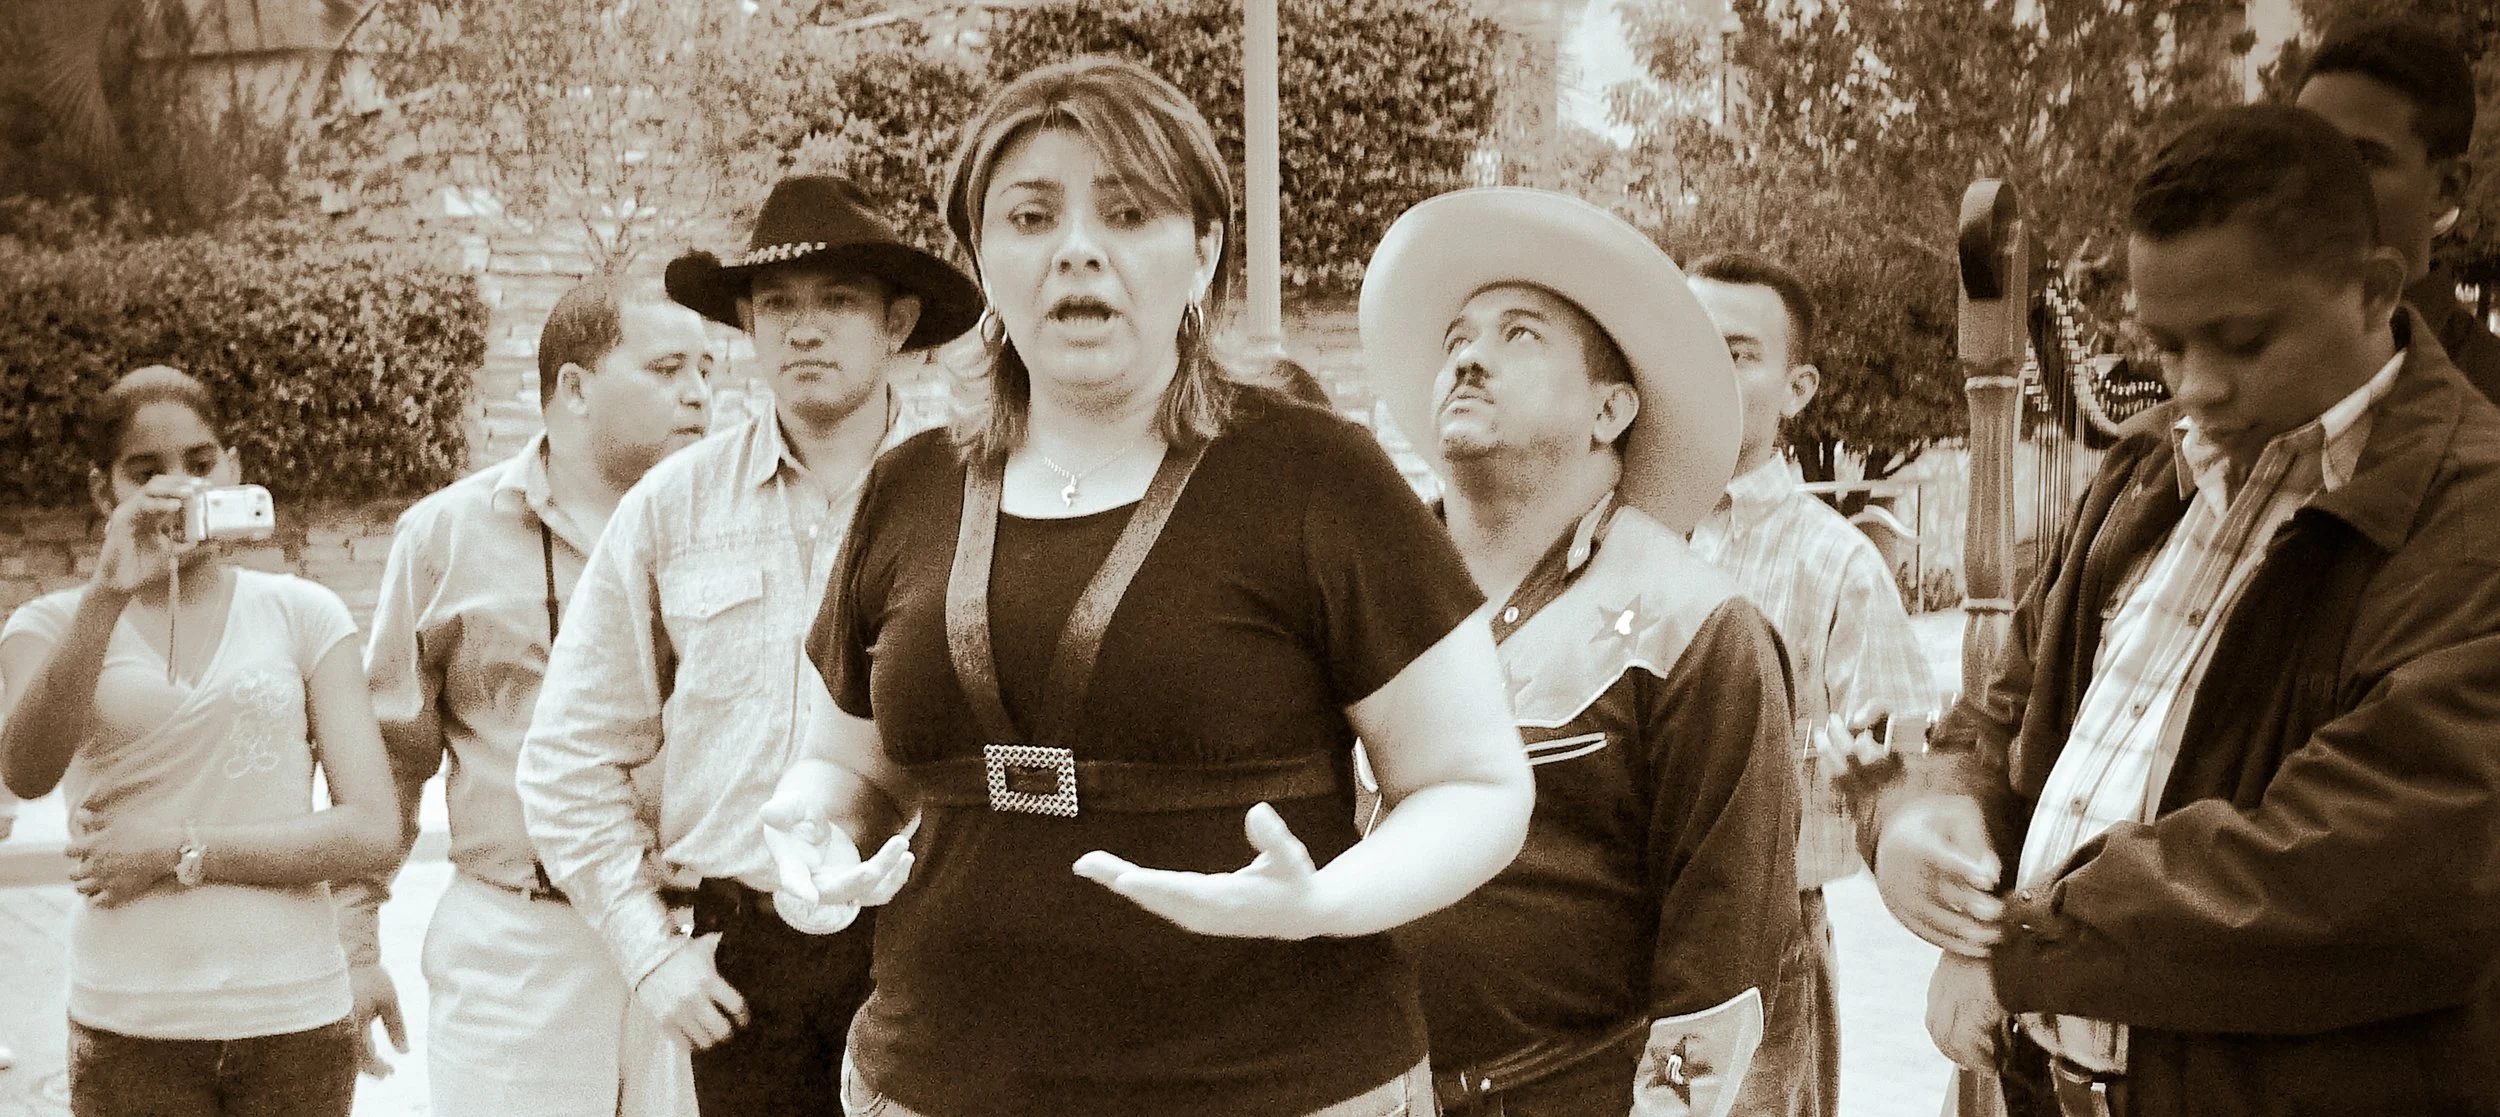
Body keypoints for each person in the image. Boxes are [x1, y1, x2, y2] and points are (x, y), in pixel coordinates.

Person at [763, 55, 1535, 1117]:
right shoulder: (908, 488)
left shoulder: (1316, 476)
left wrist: (1323, 901)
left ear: (1203, 250)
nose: (1077, 248)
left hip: (1280, 1087)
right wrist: (812, 836)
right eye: (1030, 217)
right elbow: (846, 768)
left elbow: (1474, 785)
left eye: (1128, 212)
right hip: (937, 1084)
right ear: (981, 256)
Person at [1862, 104, 2500, 1116]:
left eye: (2240, 341)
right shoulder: (2145, 470)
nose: (2196, 386)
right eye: (2164, 346)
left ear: (2376, 290)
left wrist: (2030, 952)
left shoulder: (2470, 514)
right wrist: (1923, 811)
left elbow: (2373, 872)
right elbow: (1998, 714)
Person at [514, 175, 982, 1116]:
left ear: (897, 323)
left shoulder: (976, 489)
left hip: (941, 941)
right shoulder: (673, 506)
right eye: (777, 306)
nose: (803, 329)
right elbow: (567, 757)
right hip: (748, 971)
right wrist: (650, 955)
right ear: (747, 325)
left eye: (837, 301)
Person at [1359, 187, 1801, 1117]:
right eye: (1456, 339)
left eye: (1520, 335)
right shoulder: (1355, 601)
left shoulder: (1702, 630)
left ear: (1610, 409)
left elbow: (1720, 966)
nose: (1469, 356)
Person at [341, 277, 713, 1115]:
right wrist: (356, 944)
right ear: (573, 388)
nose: (698, 392)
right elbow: (390, 762)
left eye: (707, 369)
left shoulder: (733, 529)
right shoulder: (444, 535)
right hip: (520, 949)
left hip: (701, 947)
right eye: (667, 368)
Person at [0, 366, 400, 1117]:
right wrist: (107, 591)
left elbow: (373, 829)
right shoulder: (50, 625)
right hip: (131, 1025)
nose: (178, 487)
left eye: (202, 461)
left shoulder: (303, 612)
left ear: (236, 468)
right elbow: (24, 770)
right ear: (102, 491)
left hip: (294, 1019)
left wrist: (173, 851)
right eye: (145, 472)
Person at [1685, 251, 1938, 1117]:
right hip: (1607, 932)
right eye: (1687, 341)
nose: (1706, 371)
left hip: (1760, 945)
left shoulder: (1837, 564)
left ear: (1798, 389)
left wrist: (1861, 775)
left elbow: (1902, 761)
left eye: (1738, 351)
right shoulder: (1613, 529)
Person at [2295, 18, 2500, 398]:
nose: (2313, 183)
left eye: (2362, 160)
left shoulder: (2486, 392)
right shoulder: (2248, 379)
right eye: (2300, 154)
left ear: (2446, 187)